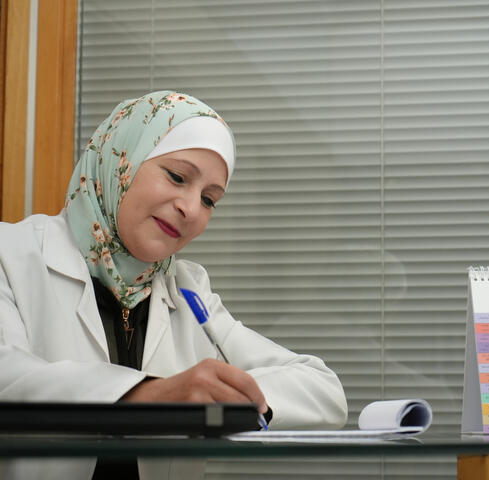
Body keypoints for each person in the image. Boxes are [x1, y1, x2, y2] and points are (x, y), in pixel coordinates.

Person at [0, 91, 348, 480]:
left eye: (209, 200)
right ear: (122, 159)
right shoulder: (11, 254)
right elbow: (8, 374)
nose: (191, 208)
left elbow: (323, 389)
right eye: (177, 177)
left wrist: (231, 402)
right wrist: (151, 395)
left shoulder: (188, 288)